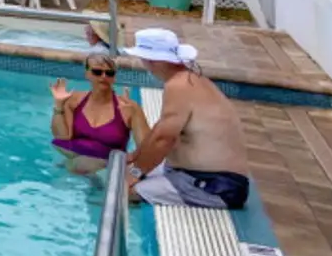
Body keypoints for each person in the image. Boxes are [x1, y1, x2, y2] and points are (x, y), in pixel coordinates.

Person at [121, 28, 253, 209]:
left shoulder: (179, 85)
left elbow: (164, 140)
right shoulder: (191, 79)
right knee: (122, 175)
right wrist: (135, 157)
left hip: (215, 185)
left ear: (151, 61)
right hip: (200, 176)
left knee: (122, 193)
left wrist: (135, 173)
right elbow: (160, 130)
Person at [49, 53, 146, 173]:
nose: (104, 76)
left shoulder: (129, 107)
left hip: (104, 166)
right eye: (97, 72)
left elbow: (146, 148)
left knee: (77, 167)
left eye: (109, 73)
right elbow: (62, 137)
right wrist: (59, 105)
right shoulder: (74, 101)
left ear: (114, 77)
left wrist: (131, 161)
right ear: (87, 74)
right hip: (75, 158)